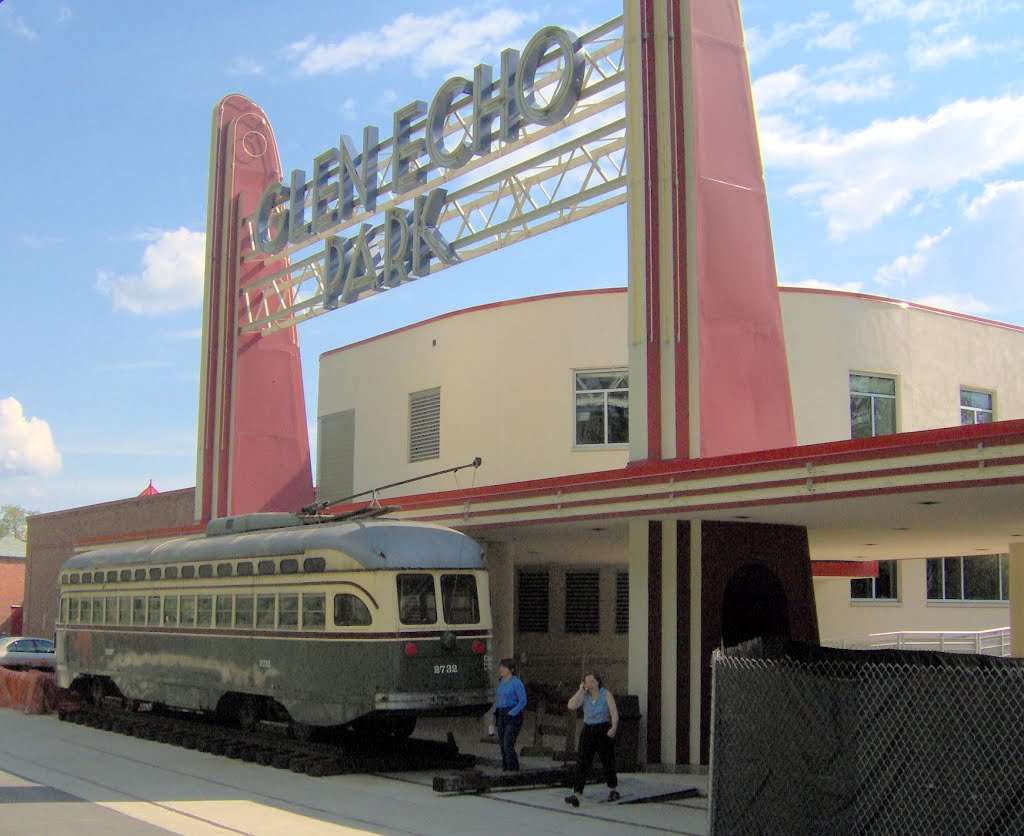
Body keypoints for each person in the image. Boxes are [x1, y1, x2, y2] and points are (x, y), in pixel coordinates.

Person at [564, 671, 619, 806]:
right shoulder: (584, 695)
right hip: (588, 729)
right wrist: (580, 691)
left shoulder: (606, 694)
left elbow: (614, 713)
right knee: (582, 761)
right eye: (587, 682)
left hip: (603, 728)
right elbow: (571, 705)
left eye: (592, 682)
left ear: (598, 682)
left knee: (607, 760)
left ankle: (613, 788)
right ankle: (577, 793)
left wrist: (613, 728)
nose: (590, 684)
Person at [493, 658, 527, 771]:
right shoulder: (501, 681)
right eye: (501, 667)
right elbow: (499, 699)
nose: (501, 669)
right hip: (502, 713)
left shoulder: (516, 682)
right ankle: (506, 768)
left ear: (511, 669)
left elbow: (523, 700)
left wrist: (512, 712)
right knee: (502, 744)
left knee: (508, 743)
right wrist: (495, 715)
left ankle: (513, 768)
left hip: (513, 715)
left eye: (504, 667)